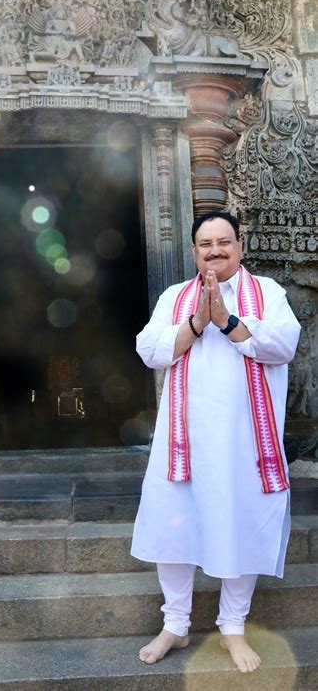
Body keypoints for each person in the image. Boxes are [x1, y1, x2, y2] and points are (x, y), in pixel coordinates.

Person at [131, 211, 301, 673]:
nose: (215, 251)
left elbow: (284, 346)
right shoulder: (174, 297)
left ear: (239, 246)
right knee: (174, 525)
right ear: (193, 251)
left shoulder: (267, 293)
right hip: (182, 440)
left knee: (241, 523)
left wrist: (227, 321)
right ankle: (176, 624)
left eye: (224, 242)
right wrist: (196, 322)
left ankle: (232, 626)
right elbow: (150, 350)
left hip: (245, 441)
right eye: (205, 244)